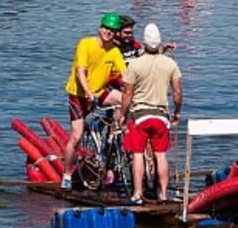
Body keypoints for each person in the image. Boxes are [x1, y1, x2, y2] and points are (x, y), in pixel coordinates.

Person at [114, 23, 182, 204]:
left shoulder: (135, 65)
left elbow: (127, 94)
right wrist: (177, 113)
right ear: (159, 43)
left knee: (137, 154)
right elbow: (177, 93)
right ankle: (163, 194)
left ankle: (137, 194)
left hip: (139, 116)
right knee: (161, 155)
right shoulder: (170, 64)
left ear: (144, 43)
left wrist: (122, 113)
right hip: (161, 116)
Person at [62, 12, 127, 190]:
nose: (109, 32)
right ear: (100, 28)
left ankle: (114, 134)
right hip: (79, 95)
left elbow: (126, 75)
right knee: (76, 136)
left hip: (99, 92)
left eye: (113, 30)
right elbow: (80, 72)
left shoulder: (114, 51)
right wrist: (89, 93)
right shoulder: (86, 44)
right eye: (106, 28)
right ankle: (67, 175)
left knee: (125, 101)